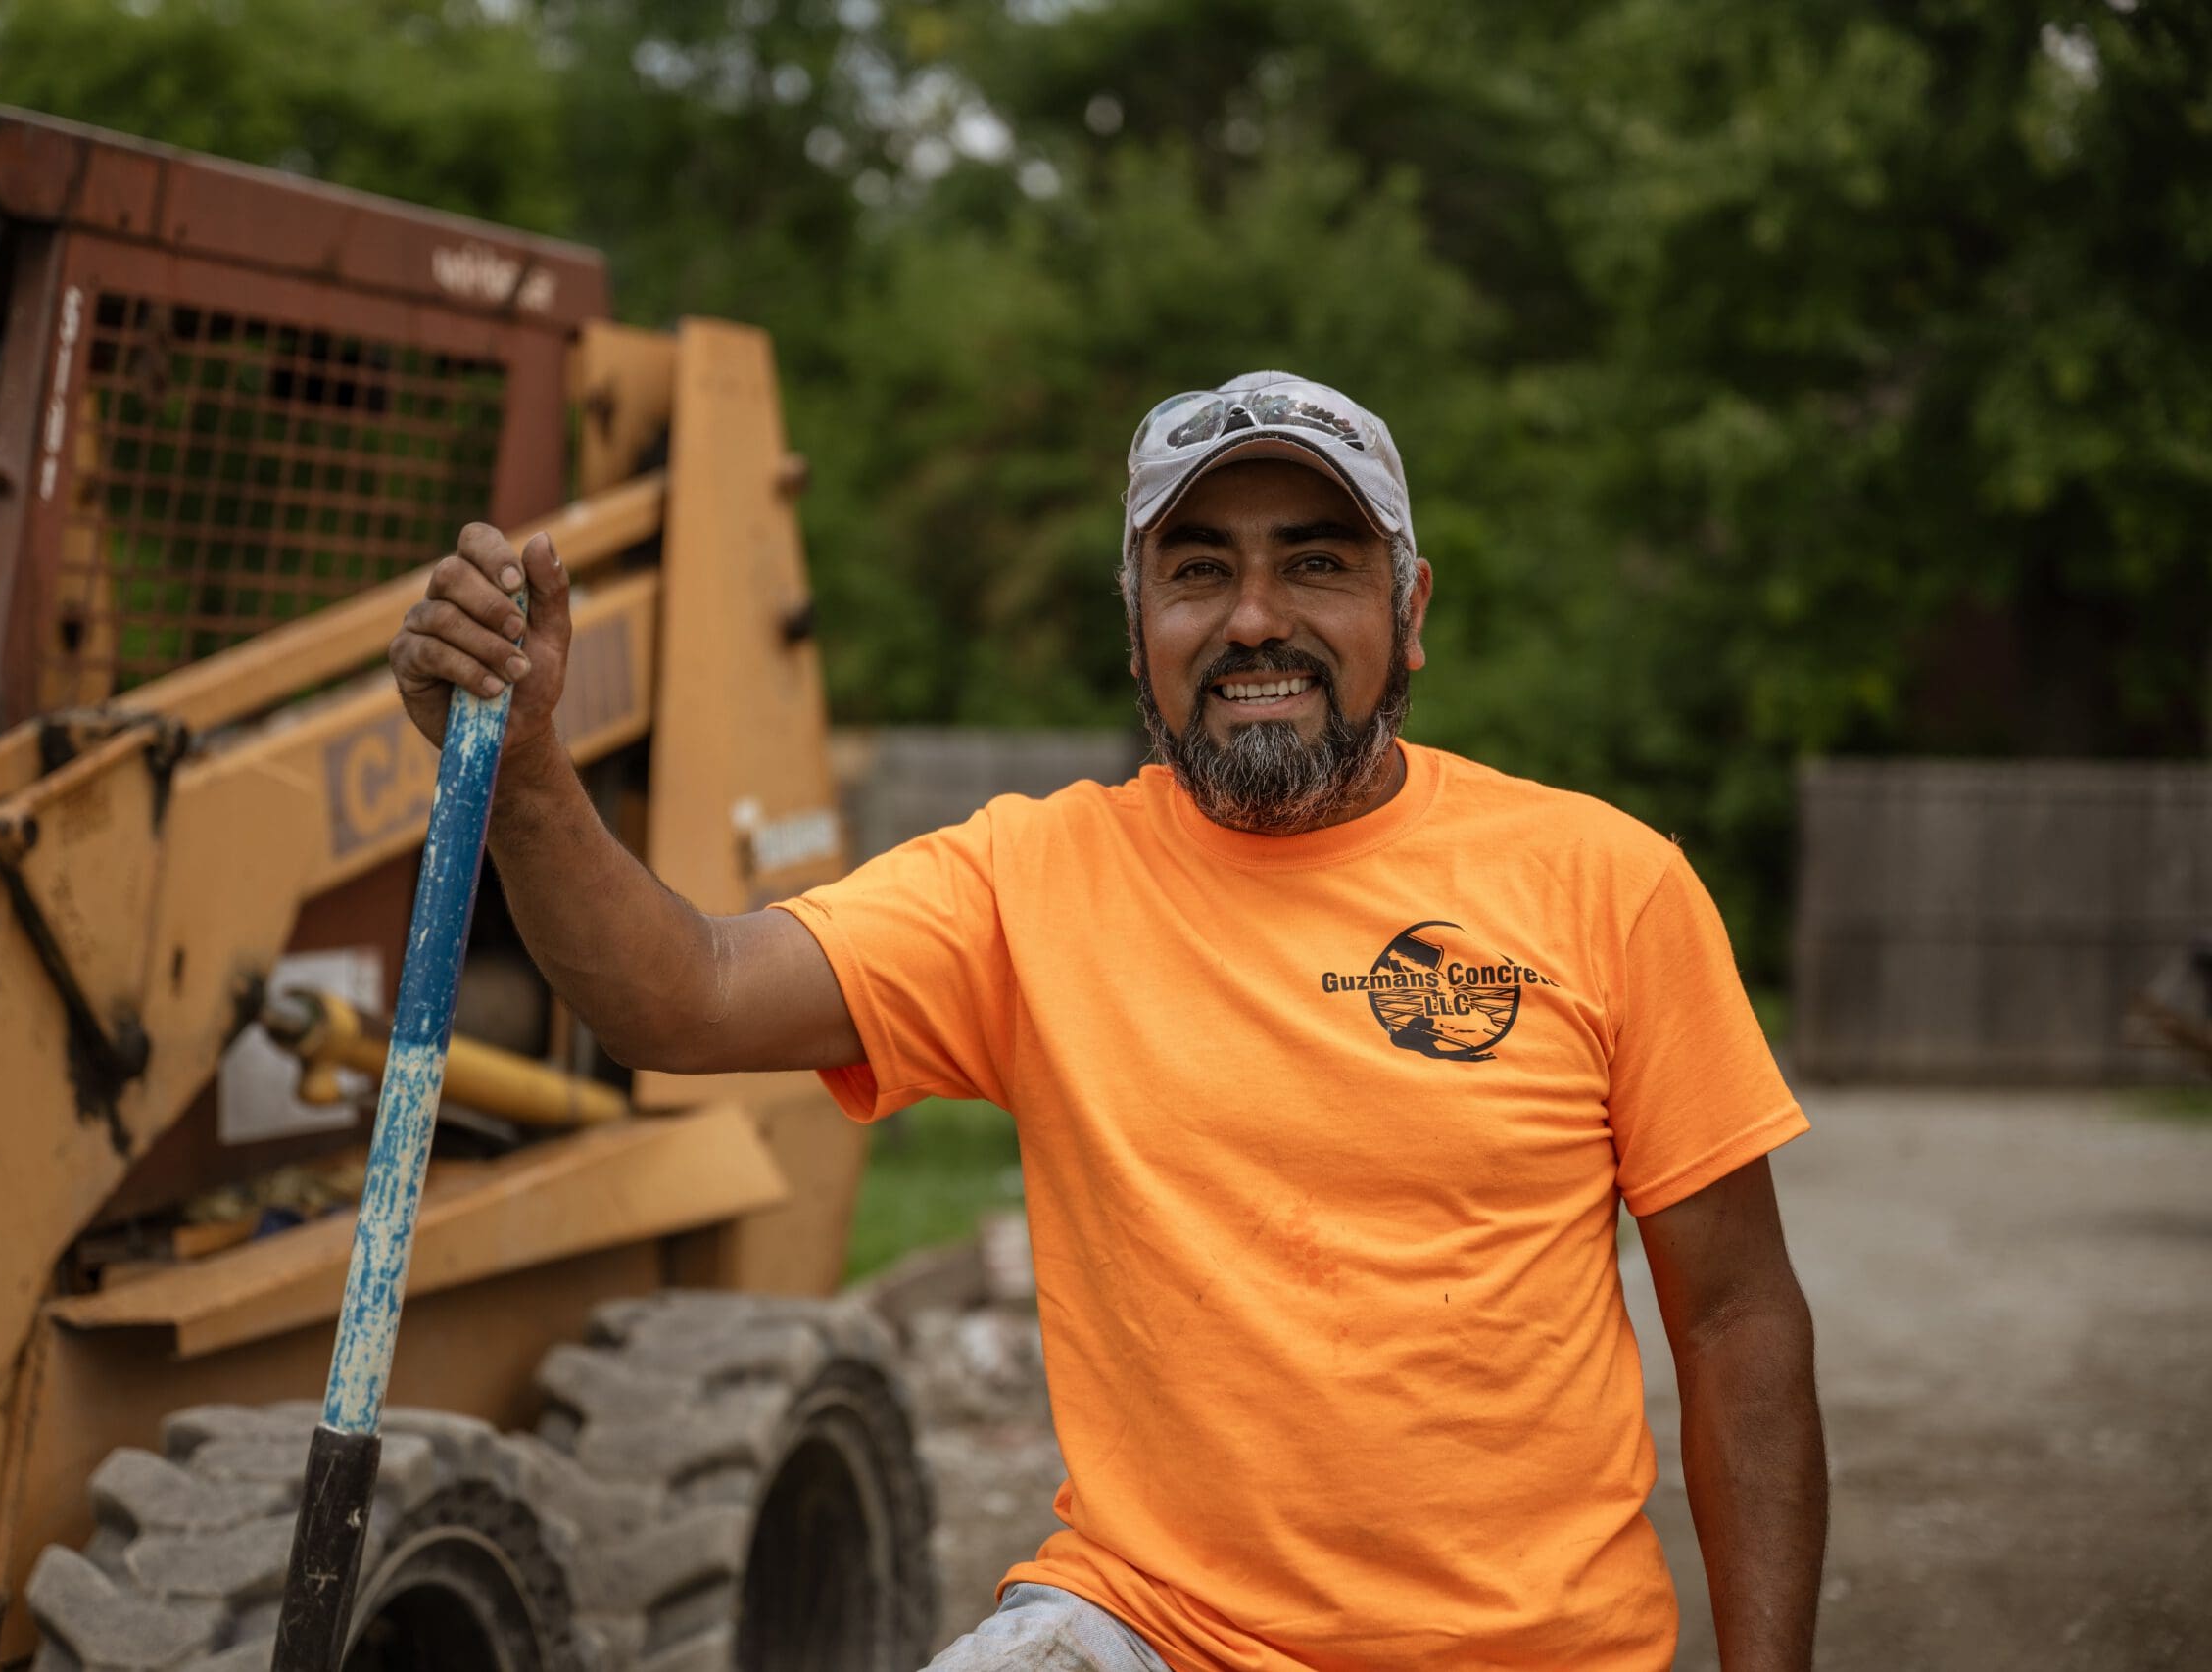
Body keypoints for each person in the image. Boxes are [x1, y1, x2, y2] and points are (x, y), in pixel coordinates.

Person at [388, 370, 1827, 1672]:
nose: (1254, 615)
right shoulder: (1030, 883)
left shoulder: (1606, 886)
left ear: (1412, 610)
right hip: (1148, 1632)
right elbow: (682, 996)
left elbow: (1743, 1322)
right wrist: (522, 777)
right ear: (1138, 628)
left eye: (1316, 563)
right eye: (1198, 571)